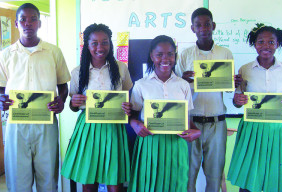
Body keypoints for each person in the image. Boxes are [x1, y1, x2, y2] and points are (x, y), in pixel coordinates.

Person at [0, 3, 71, 192]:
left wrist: (61, 100)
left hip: (46, 123)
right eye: (23, 20)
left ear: (40, 23)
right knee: (18, 180)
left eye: (33, 19)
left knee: (48, 179)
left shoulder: (53, 52)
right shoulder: (6, 54)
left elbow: (63, 85)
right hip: (16, 125)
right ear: (16, 24)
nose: (28, 23)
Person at [175, 7, 242, 192]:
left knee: (214, 175)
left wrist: (233, 82)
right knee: (187, 175)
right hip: (191, 121)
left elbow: (231, 90)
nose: (203, 28)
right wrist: (183, 80)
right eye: (198, 25)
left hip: (217, 121)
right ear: (192, 28)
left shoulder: (225, 53)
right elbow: (174, 89)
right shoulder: (185, 54)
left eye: (207, 24)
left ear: (213, 26)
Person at [61, 23, 132, 192]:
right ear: (87, 45)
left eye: (104, 42)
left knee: (115, 183)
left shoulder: (121, 68)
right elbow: (73, 107)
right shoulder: (78, 71)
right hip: (88, 128)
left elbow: (128, 97)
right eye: (94, 43)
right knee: (88, 180)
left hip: (114, 128)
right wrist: (74, 102)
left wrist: (128, 107)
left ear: (110, 44)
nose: (100, 47)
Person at [128, 35, 201, 192]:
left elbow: (186, 118)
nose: (165, 59)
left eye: (170, 54)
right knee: (148, 185)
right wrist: (135, 124)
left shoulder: (183, 85)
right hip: (150, 142)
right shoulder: (141, 85)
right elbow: (132, 114)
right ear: (152, 56)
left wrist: (196, 131)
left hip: (176, 143)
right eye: (159, 54)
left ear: (175, 55)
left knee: (176, 185)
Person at [227, 23, 282, 192]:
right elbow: (236, 101)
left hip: (278, 129)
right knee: (248, 179)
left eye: (271, 42)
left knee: (274, 179)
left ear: (277, 44)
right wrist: (237, 100)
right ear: (254, 44)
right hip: (251, 129)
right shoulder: (245, 69)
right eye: (261, 42)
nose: (266, 46)